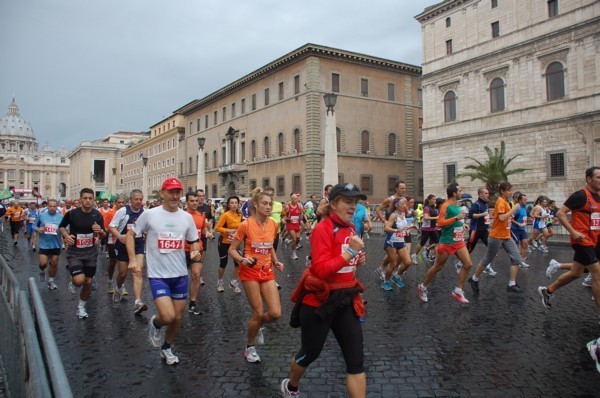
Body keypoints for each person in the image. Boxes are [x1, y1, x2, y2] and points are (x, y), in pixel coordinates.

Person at [282, 183, 367, 397]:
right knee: (310, 353)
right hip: (318, 303)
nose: (353, 207)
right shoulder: (323, 228)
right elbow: (320, 270)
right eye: (348, 202)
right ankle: (291, 386)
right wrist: (350, 254)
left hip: (346, 299)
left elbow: (344, 263)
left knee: (356, 360)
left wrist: (356, 260)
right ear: (334, 203)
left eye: (355, 202)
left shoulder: (351, 229)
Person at [128, 177, 200, 365]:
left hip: (180, 275)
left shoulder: (187, 217)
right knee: (167, 316)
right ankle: (155, 323)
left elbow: (194, 240)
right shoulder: (150, 215)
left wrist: (195, 251)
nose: (174, 196)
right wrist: (132, 259)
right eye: (171, 192)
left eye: (178, 192)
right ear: (163, 193)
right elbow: (130, 234)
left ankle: (167, 348)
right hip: (158, 276)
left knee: (176, 318)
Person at [228, 188, 283, 363]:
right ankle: (250, 347)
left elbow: (270, 245)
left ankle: (257, 325)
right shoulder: (246, 224)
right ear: (256, 205)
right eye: (265, 204)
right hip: (249, 272)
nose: (268, 207)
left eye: (270, 204)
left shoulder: (273, 224)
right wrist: (242, 259)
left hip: (267, 271)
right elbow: (232, 249)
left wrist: (275, 260)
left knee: (275, 313)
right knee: (258, 312)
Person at [416, 183, 472, 303]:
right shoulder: (446, 206)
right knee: (438, 267)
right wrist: (457, 218)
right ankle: (423, 286)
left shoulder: (456, 205)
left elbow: (456, 220)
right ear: (454, 193)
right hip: (447, 241)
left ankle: (458, 290)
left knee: (468, 264)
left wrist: (462, 224)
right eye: (460, 191)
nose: (462, 192)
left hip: (458, 241)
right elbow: (440, 223)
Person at [468, 182, 524, 294]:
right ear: (502, 191)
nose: (510, 192)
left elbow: (504, 217)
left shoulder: (506, 202)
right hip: (496, 236)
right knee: (487, 258)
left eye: (511, 190)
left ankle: (512, 284)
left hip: (506, 236)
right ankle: (474, 279)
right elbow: (502, 218)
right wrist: (513, 210)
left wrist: (511, 215)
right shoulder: (500, 202)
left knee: (517, 259)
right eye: (508, 190)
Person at [59, 188, 107, 319]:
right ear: (80, 200)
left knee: (88, 281)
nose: (87, 201)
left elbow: (103, 235)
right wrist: (65, 235)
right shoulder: (72, 214)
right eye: (85, 198)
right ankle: (73, 281)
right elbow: (62, 226)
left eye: (90, 198)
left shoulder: (97, 215)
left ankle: (81, 307)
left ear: (93, 200)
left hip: (91, 252)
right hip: (75, 252)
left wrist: (101, 232)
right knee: (79, 280)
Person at [109, 189, 147, 314]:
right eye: (136, 199)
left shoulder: (144, 213)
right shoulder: (123, 211)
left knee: (137, 271)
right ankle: (118, 287)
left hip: (138, 245)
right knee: (122, 273)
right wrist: (119, 236)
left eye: (140, 199)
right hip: (122, 245)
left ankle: (137, 302)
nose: (138, 202)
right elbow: (111, 226)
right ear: (130, 200)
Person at [455, 187, 497, 275]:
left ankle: (487, 266)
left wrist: (488, 219)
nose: (487, 195)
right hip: (475, 230)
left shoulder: (486, 204)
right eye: (485, 193)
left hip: (484, 230)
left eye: (488, 193)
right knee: (470, 249)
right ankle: (459, 264)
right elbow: (470, 215)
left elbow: (486, 216)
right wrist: (482, 214)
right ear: (480, 194)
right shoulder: (476, 204)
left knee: (491, 248)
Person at [381, 198, 414, 291]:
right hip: (391, 242)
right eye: (402, 204)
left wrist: (408, 229)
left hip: (400, 242)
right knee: (393, 264)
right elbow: (386, 228)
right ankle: (385, 282)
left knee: (408, 262)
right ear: (397, 205)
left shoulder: (403, 214)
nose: (404, 206)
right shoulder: (393, 215)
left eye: (405, 204)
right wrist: (396, 230)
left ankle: (396, 276)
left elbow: (402, 227)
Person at [185, 192, 209, 315]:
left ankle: (192, 303)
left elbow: (203, 229)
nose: (195, 203)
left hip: (197, 248)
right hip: (182, 250)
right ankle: (178, 300)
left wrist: (207, 233)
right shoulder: (182, 215)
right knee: (181, 277)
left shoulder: (201, 215)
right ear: (186, 202)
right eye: (192, 201)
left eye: (196, 200)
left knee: (196, 275)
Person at [214, 196, 243, 293]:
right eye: (232, 203)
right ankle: (220, 281)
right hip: (224, 242)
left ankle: (234, 283)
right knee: (223, 263)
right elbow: (217, 228)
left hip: (235, 243)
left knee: (238, 263)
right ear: (229, 205)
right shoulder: (225, 215)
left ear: (238, 204)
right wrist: (228, 230)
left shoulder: (240, 215)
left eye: (236, 203)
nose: (234, 204)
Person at [34, 199, 63, 290]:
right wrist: (38, 229)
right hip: (44, 244)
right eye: (50, 206)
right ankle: (42, 270)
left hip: (56, 244)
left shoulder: (61, 217)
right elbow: (34, 225)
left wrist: (65, 232)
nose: (52, 208)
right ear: (47, 206)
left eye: (54, 206)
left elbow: (66, 228)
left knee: (54, 263)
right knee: (43, 263)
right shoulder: (41, 216)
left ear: (57, 206)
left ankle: (51, 281)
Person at [105, 196, 125, 293]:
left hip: (123, 240)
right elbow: (106, 228)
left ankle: (121, 285)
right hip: (112, 240)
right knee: (113, 262)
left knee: (123, 263)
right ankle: (109, 281)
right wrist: (114, 231)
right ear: (115, 203)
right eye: (119, 202)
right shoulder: (110, 213)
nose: (121, 204)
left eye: (122, 202)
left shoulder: (126, 212)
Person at [412, 194, 439, 264]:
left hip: (433, 228)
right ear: (429, 200)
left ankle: (435, 257)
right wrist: (436, 218)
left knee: (437, 243)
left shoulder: (434, 208)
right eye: (433, 199)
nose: (434, 201)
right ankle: (414, 255)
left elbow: (436, 217)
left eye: (435, 199)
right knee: (422, 242)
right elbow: (426, 217)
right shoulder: (427, 208)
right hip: (426, 228)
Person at [509, 193, 531, 268]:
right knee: (517, 248)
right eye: (524, 200)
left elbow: (523, 218)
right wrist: (518, 223)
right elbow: (511, 218)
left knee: (525, 244)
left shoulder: (524, 208)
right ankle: (517, 262)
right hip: (515, 230)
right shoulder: (517, 208)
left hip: (522, 229)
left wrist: (528, 219)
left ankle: (520, 260)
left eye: (526, 199)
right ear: (520, 200)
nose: (526, 201)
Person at [283, 192, 305, 260]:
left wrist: (300, 219)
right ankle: (293, 253)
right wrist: (287, 219)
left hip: (297, 224)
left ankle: (289, 242)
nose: (296, 200)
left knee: (297, 239)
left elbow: (301, 213)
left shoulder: (299, 206)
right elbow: (283, 217)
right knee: (295, 238)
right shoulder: (287, 206)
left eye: (297, 198)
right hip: (290, 225)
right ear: (291, 199)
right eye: (294, 199)